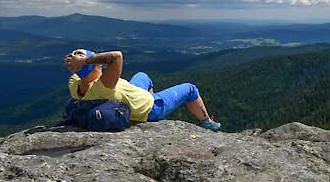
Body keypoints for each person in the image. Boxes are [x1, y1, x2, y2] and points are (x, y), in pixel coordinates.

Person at [63, 49, 221, 131]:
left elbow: (82, 70)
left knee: (142, 75)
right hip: (149, 108)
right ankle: (207, 122)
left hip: (131, 92)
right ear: (95, 64)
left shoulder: (76, 83)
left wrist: (79, 63)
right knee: (190, 89)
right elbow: (116, 56)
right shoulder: (104, 84)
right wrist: (86, 59)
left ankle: (145, 95)